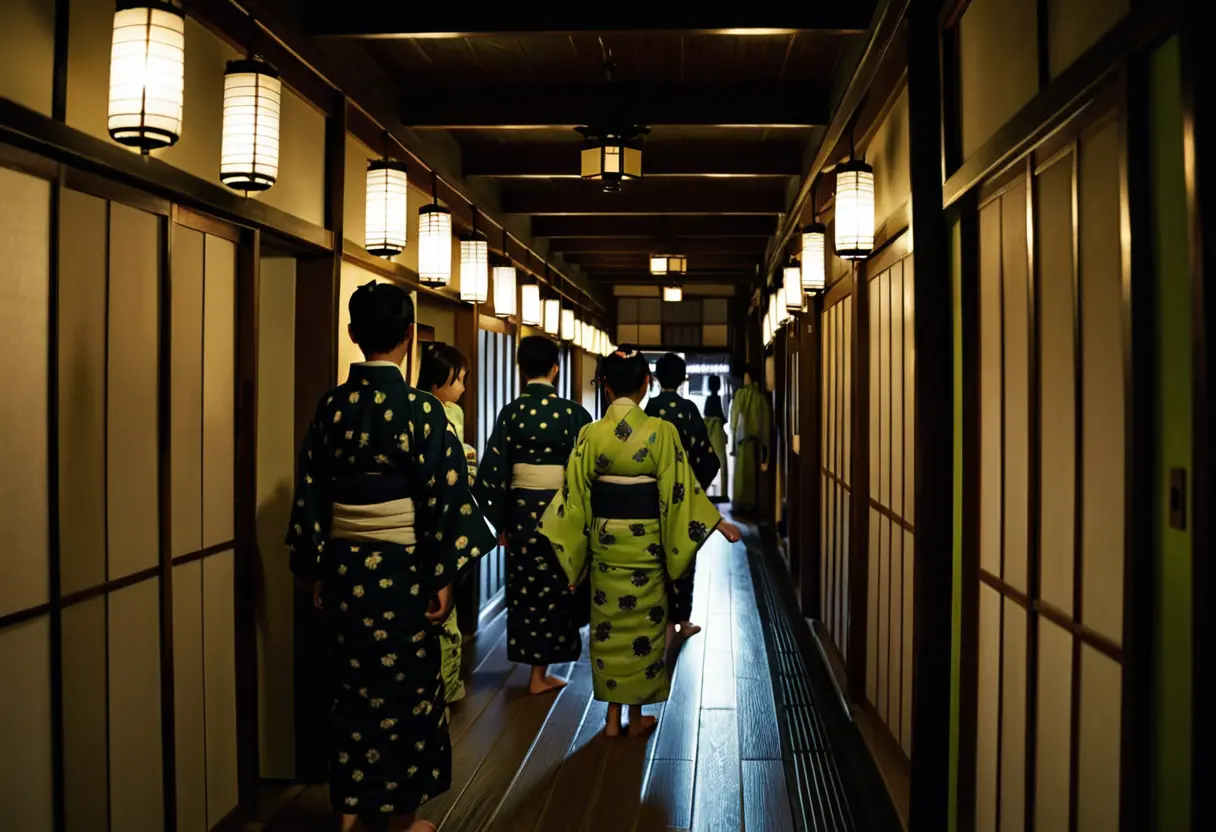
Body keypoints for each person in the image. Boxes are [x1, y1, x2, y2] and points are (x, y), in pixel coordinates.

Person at [286, 282, 495, 832]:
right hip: (403, 572)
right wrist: (442, 575)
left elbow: (312, 489)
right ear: (409, 338)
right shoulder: (423, 412)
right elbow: (445, 497)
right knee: (406, 690)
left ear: (353, 335)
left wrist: (317, 568)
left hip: (345, 570)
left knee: (350, 686)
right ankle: (403, 818)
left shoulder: (330, 407)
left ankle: (349, 811)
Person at [538, 346, 741, 738]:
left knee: (607, 627)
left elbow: (574, 498)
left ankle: (611, 720)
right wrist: (715, 522)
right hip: (647, 546)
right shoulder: (661, 433)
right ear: (646, 385)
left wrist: (573, 560)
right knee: (644, 630)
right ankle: (635, 716)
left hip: (604, 545)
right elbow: (681, 491)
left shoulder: (590, 434)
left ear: (607, 388)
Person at [474, 335, 593, 695]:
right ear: (555, 369)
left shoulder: (511, 413)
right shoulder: (574, 414)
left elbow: (494, 470)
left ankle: (535, 674)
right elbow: (586, 471)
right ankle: (543, 672)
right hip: (563, 514)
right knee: (560, 586)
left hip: (522, 514)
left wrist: (499, 523)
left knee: (527, 590)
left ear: (520, 368)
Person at [644, 353, 721, 641]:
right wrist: (694, 488)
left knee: (655, 554)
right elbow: (707, 456)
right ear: (684, 378)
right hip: (682, 493)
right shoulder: (688, 410)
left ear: (654, 379)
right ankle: (682, 619)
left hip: (649, 495)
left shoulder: (648, 409)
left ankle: (657, 617)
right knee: (684, 552)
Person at [417, 343, 476, 705]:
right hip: (441, 520)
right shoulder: (444, 413)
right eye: (461, 379)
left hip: (414, 527)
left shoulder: (413, 406)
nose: (464, 388)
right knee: (444, 616)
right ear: (444, 379)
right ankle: (448, 686)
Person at [730, 365, 771, 516]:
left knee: (742, 474)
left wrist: (734, 440)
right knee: (750, 475)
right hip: (755, 441)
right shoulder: (760, 398)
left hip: (742, 440)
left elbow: (735, 420)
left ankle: (741, 503)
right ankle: (749, 505)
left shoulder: (741, 395)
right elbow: (765, 423)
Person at [703, 375, 729, 497]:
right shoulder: (718, 399)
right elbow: (722, 417)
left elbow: (705, 413)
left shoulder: (710, 399)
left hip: (709, 432)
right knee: (722, 464)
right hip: (718, 432)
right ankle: (723, 493)